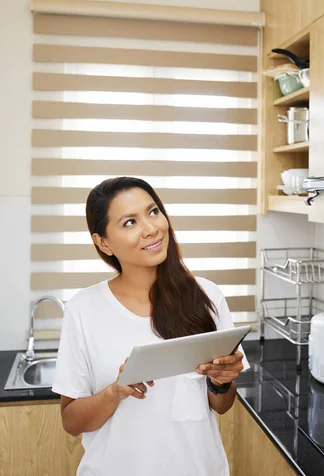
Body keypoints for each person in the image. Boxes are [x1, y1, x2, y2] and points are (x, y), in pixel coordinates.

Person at [52, 176, 250, 476]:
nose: (150, 228)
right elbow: (71, 422)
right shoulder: (84, 309)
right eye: (129, 222)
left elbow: (221, 405)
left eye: (153, 211)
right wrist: (114, 392)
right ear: (103, 242)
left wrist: (221, 381)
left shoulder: (207, 296)